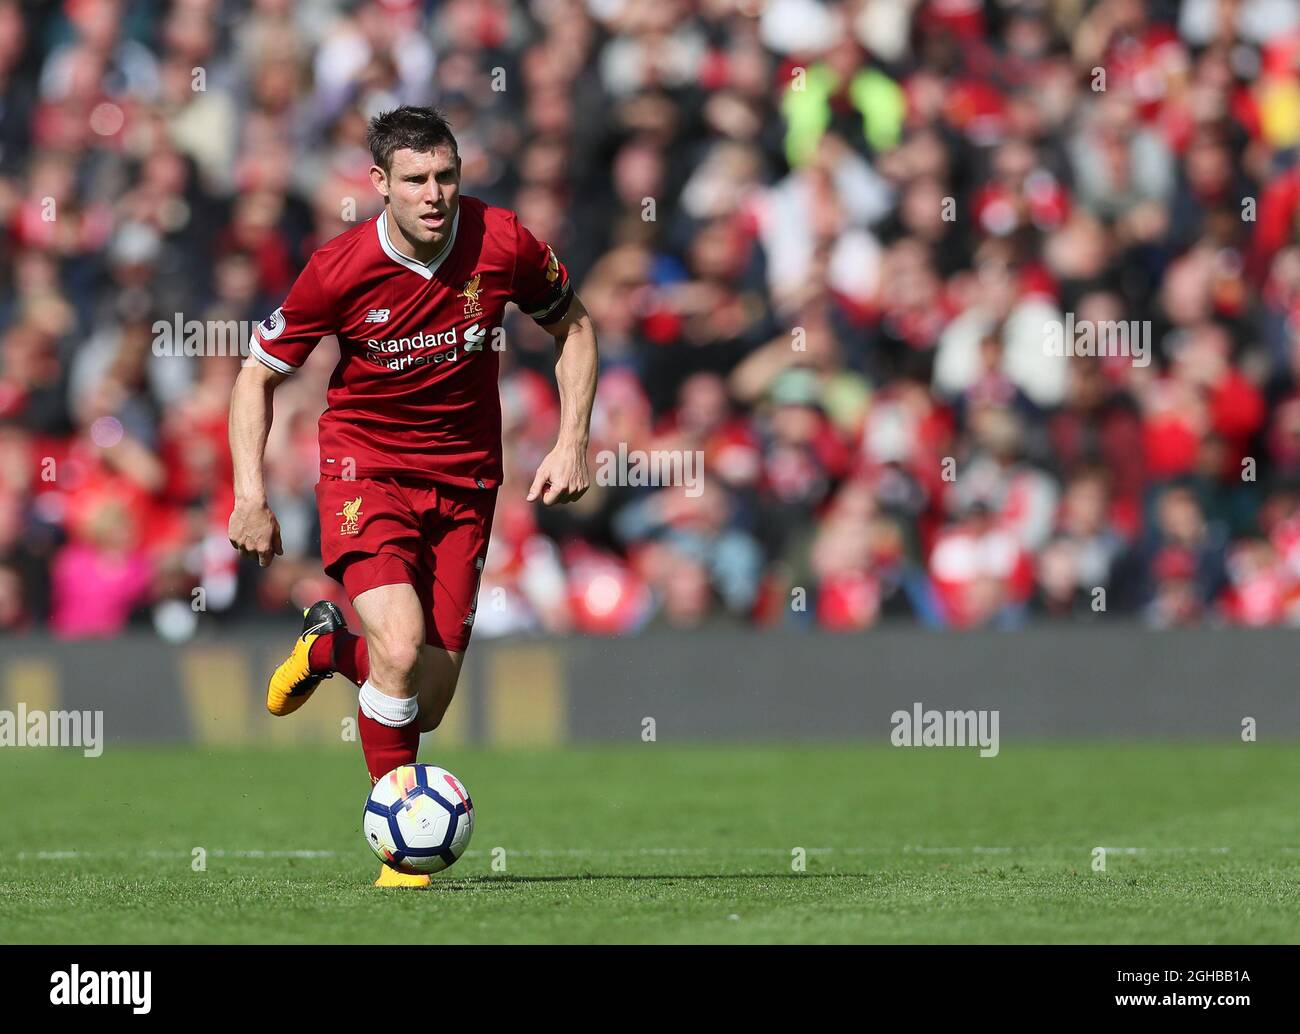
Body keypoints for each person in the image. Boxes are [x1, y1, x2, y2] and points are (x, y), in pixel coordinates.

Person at [226, 107, 598, 887]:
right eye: (417, 180)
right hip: (367, 471)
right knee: (397, 650)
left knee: (421, 700)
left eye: (447, 176)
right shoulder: (337, 267)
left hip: (468, 482)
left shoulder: (504, 242)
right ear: (380, 185)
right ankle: (401, 851)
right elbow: (257, 374)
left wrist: (571, 442)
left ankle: (328, 650)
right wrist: (250, 495)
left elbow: (576, 326)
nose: (435, 195)